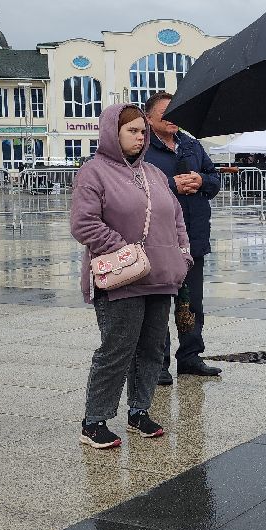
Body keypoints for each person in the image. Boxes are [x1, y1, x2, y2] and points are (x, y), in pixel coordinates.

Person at [70, 104, 193, 449]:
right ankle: (94, 420)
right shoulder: (94, 172)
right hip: (121, 278)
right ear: (113, 132)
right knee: (117, 349)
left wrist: (183, 255)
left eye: (143, 132)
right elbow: (84, 224)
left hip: (161, 276)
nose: (140, 138)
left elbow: (176, 218)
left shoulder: (153, 174)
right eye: (132, 132)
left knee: (152, 349)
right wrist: (125, 250)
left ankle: (139, 410)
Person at [142, 92, 223, 382]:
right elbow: (133, 190)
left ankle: (190, 357)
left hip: (194, 236)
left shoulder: (191, 145)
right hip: (159, 240)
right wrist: (170, 185)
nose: (173, 118)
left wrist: (202, 181)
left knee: (191, 303)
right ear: (149, 118)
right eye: (165, 113)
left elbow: (215, 179)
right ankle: (158, 363)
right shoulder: (143, 149)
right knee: (159, 303)